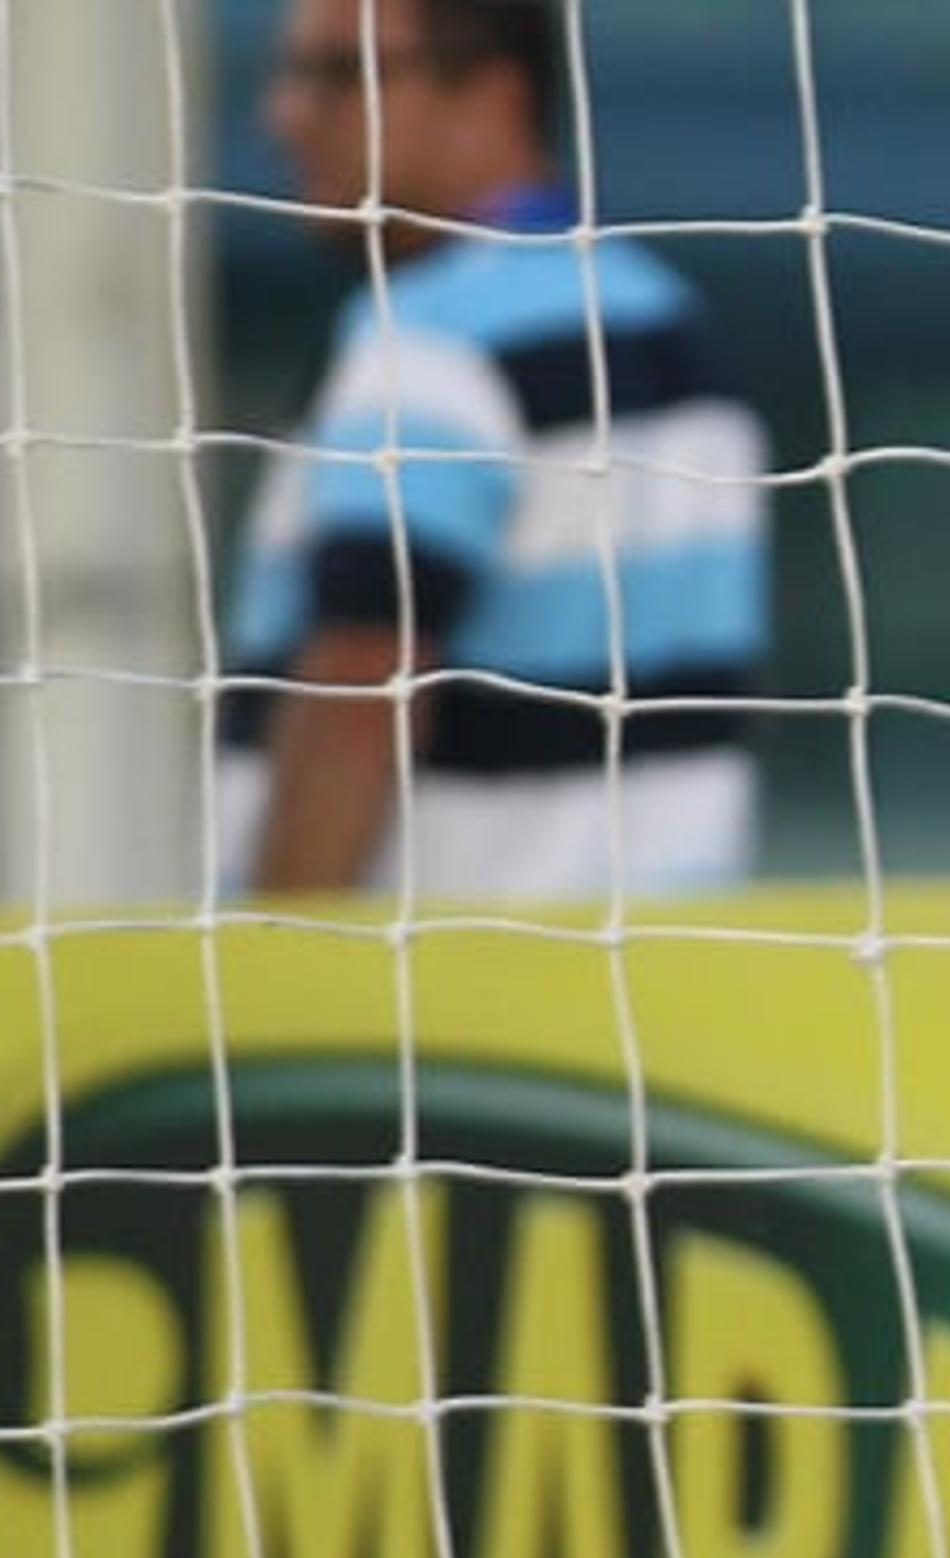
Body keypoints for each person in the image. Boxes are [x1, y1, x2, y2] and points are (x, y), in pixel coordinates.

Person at [216, 0, 768, 901]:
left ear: (493, 91)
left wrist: (270, 978)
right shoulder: (672, 329)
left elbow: (362, 685)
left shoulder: (429, 342)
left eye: (339, 74)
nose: (284, 116)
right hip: (662, 987)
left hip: (436, 1007)